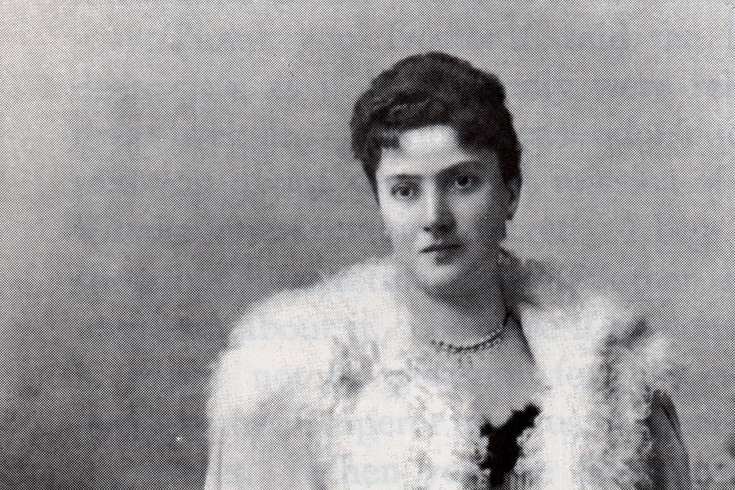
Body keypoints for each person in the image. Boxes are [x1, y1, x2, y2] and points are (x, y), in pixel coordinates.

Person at [205, 52, 691, 489]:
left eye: (462, 182)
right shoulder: (297, 381)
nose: (434, 217)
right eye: (405, 190)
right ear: (380, 204)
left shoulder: (611, 376)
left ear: (510, 193)